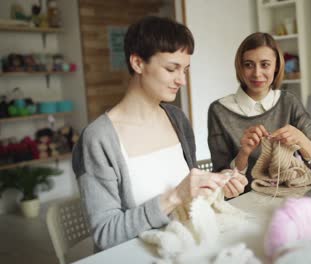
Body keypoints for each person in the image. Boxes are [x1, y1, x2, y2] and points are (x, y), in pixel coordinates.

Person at [72, 16, 245, 251]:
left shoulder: (177, 120)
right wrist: (174, 196)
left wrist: (216, 184)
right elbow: (105, 233)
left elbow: (189, 200)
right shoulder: (98, 139)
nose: (182, 80)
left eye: (185, 69)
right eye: (171, 68)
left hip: (185, 246)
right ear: (138, 63)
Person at [208, 32, 311, 194]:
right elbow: (222, 183)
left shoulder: (289, 102)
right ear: (240, 67)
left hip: (288, 196)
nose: (257, 73)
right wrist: (243, 153)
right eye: (249, 65)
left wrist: (301, 139)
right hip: (243, 202)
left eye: (265, 65)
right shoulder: (219, 110)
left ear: (277, 67)